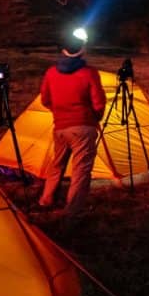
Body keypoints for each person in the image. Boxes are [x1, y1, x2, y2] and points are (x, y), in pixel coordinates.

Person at [38, 31, 106, 218]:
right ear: (82, 50)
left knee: (57, 164)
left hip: (60, 126)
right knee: (81, 169)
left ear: (64, 50)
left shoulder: (51, 73)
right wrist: (94, 118)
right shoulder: (89, 73)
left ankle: (46, 200)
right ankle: (73, 210)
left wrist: (59, 112)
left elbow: (45, 99)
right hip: (83, 127)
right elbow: (99, 103)